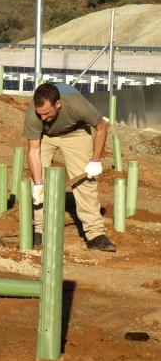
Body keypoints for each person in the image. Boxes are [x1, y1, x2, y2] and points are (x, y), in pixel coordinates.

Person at [24, 82, 115, 252]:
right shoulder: (33, 115)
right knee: (38, 184)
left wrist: (96, 160)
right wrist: (38, 184)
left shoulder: (77, 105)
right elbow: (33, 150)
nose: (42, 118)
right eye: (40, 114)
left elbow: (101, 127)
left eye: (47, 113)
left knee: (85, 181)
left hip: (76, 133)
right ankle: (40, 231)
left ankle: (95, 234)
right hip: (46, 136)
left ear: (58, 104)